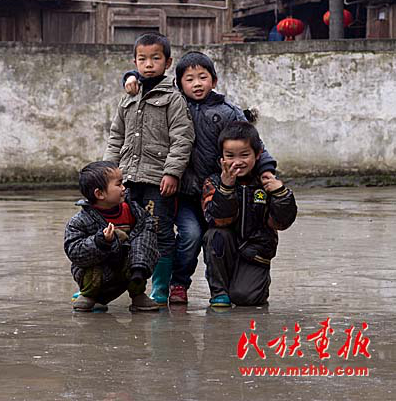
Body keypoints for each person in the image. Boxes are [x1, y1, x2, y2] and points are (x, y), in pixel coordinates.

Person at [124, 51, 277, 306]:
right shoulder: (173, 104)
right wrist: (130, 77)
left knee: (217, 239)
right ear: (179, 83)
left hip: (219, 192)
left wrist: (267, 170)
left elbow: (253, 143)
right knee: (191, 236)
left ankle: (221, 289)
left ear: (214, 81)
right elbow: (149, 82)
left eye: (203, 77)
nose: (197, 84)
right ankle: (179, 283)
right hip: (185, 194)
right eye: (189, 79)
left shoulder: (228, 112)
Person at [103, 33, 195, 305]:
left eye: (155, 58)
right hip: (128, 179)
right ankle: (127, 287)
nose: (149, 64)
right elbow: (116, 137)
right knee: (125, 230)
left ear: (168, 62)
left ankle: (160, 288)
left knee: (159, 232)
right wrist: (108, 171)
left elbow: (182, 138)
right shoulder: (128, 98)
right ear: (135, 62)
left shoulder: (173, 98)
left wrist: (172, 173)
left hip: (158, 180)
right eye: (142, 59)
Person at [202, 121, 297, 307]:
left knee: (245, 298)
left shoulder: (266, 182)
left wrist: (281, 194)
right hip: (226, 250)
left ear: (258, 154)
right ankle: (219, 292)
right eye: (230, 156)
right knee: (215, 235)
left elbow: (282, 223)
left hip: (255, 253)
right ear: (221, 157)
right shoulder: (213, 182)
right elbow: (217, 220)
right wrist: (226, 188)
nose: (237, 162)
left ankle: (253, 284)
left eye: (244, 155)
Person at [64, 160, 160, 312]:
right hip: (101, 271)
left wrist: (140, 258)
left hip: (127, 267)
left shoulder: (132, 211)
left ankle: (138, 294)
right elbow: (75, 252)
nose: (124, 188)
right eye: (119, 184)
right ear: (99, 194)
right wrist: (100, 242)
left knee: (141, 250)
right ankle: (89, 295)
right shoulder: (80, 221)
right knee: (92, 269)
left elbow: (146, 229)